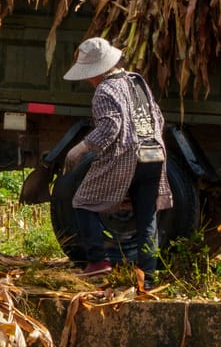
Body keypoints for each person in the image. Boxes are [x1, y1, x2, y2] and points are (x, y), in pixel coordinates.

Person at [62, 36, 171, 277]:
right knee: (147, 219)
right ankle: (148, 278)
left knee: (83, 201)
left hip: (129, 156)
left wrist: (81, 148)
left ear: (97, 71)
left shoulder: (105, 90)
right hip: (155, 153)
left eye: (88, 73)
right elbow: (158, 119)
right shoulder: (137, 82)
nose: (88, 79)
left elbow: (111, 126)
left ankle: (98, 262)